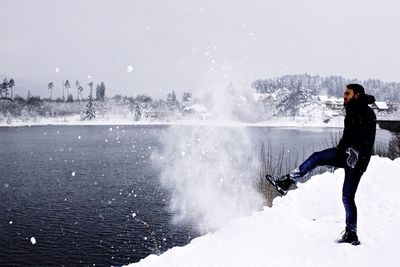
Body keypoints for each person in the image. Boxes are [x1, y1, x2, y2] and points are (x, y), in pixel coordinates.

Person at [268, 83, 376, 245]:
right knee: (317, 157)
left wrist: (356, 150)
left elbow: (366, 138)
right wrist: (342, 150)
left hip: (357, 160)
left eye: (347, 93)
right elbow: (349, 136)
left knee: (347, 197)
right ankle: (287, 181)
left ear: (357, 95)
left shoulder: (366, 113)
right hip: (344, 153)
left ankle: (351, 233)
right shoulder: (352, 109)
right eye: (344, 93)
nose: (344, 96)